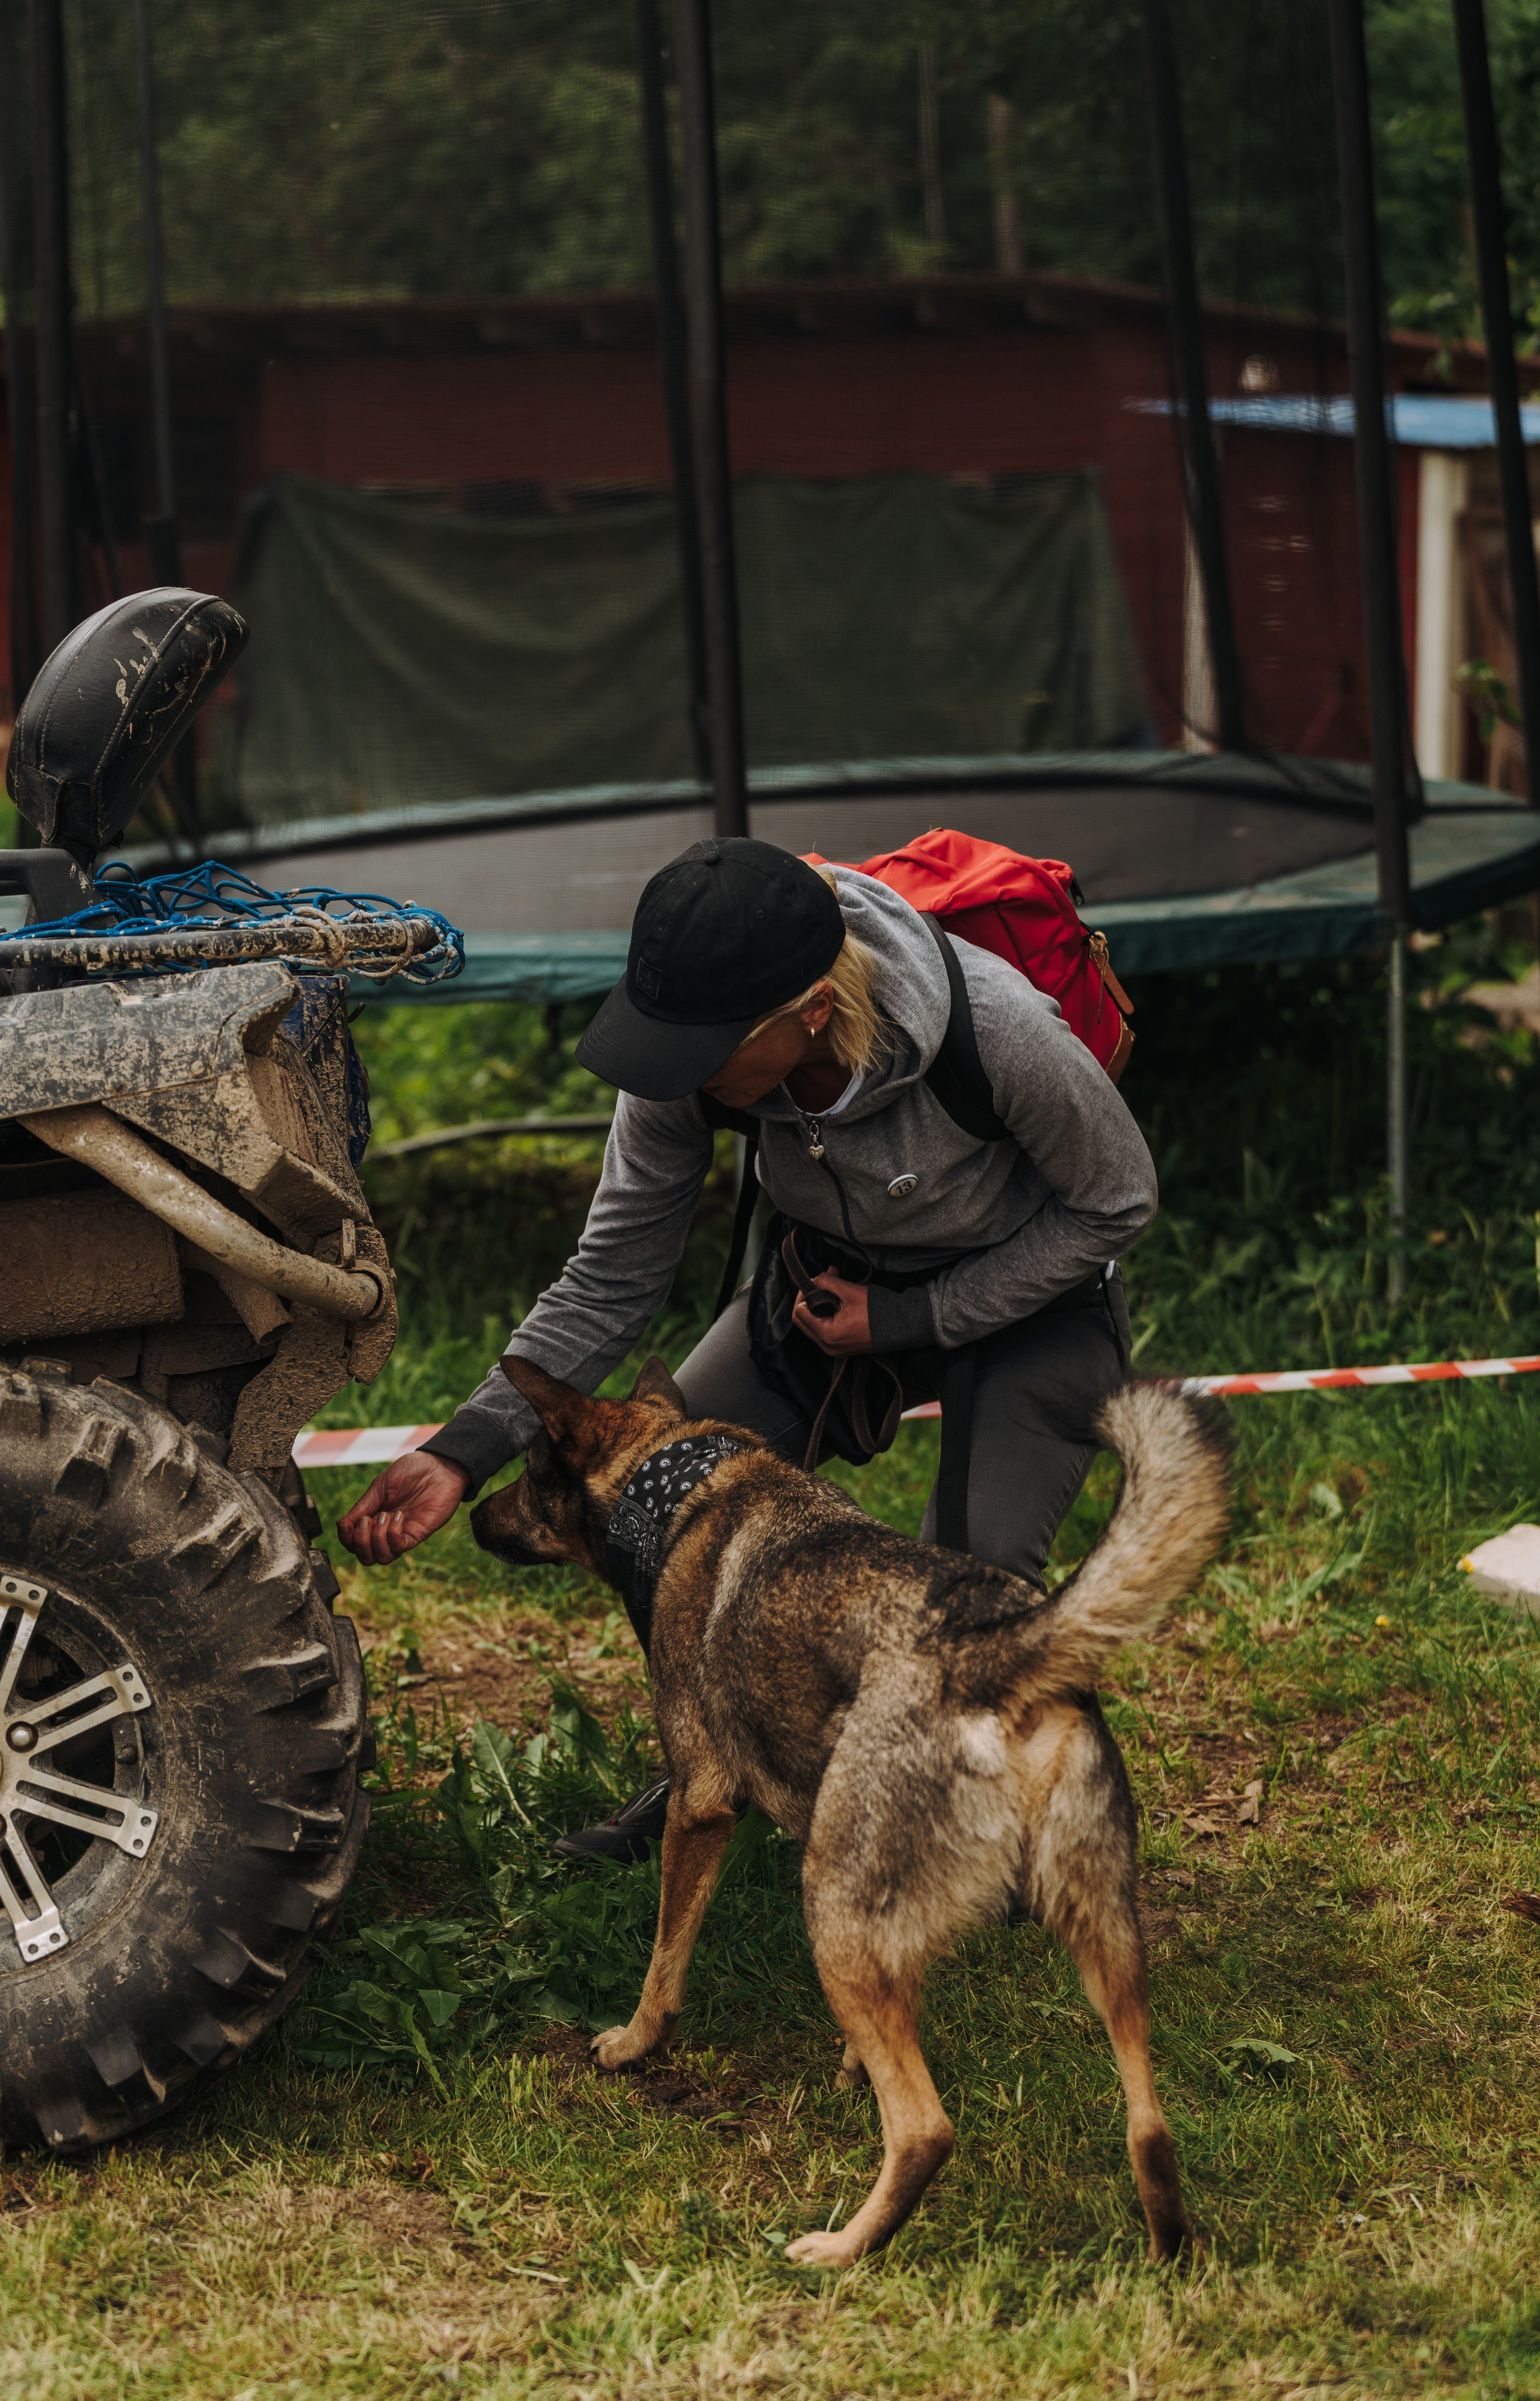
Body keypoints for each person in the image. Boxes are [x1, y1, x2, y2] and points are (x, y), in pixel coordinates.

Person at [339, 836, 1156, 1859]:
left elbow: (1117, 1202)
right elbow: (611, 1275)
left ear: (813, 1009)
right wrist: (461, 1451)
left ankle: (1041, 1821)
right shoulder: (688, 1063)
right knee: (663, 1505)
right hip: (822, 1298)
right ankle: (709, 1772)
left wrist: (912, 1319)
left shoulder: (995, 1033)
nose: (673, 1072)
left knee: (969, 1583)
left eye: (704, 1049)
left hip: (1031, 1305)